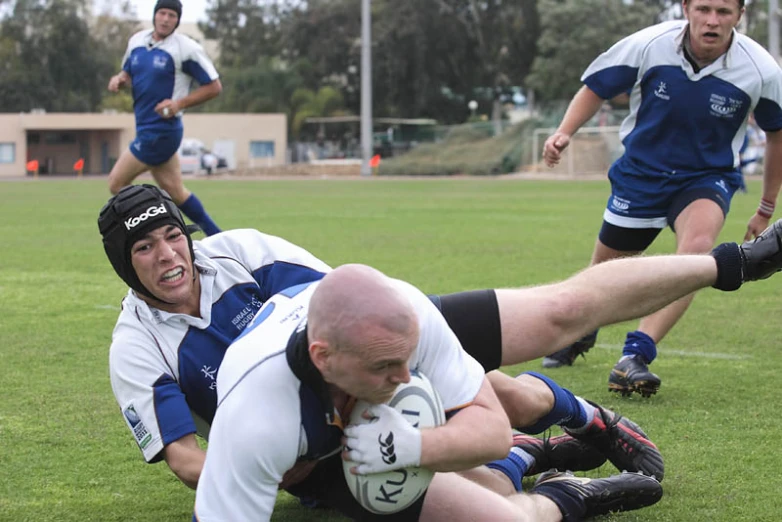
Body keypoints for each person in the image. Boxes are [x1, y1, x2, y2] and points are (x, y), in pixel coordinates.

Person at [98, 184, 666, 492]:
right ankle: (532, 457)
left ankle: (587, 419)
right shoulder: (136, 346)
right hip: (305, 441)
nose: (168, 255)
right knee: (467, 490)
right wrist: (263, 462)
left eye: (173, 236)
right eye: (144, 249)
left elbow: (348, 307)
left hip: (355, 364)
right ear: (126, 267)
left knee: (503, 395)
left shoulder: (241, 251)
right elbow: (185, 460)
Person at [194, 264, 664, 522]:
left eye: (406, 358)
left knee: (513, 404)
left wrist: (416, 445)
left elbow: (492, 429)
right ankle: (567, 491)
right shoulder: (257, 420)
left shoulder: (408, 313)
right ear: (323, 357)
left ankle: (576, 423)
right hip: (317, 450)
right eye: (383, 366)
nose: (404, 377)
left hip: (371, 418)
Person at [540, 0, 782, 398]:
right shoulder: (648, 45)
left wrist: (766, 206)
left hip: (706, 178)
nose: (712, 21)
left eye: (724, 11)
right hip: (640, 176)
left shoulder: (760, 69)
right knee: (603, 271)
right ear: (686, 8)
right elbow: (596, 87)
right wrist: (565, 132)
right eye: (703, 8)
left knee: (695, 256)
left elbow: (776, 134)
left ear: (740, 15)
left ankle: (635, 356)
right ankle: (581, 331)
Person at [106, 0, 223, 236]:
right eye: (162, 13)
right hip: (146, 129)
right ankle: (220, 238)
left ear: (177, 20)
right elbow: (128, 71)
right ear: (155, 15)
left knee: (116, 184)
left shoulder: (186, 48)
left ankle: (156, 230)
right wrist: (119, 79)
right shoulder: (137, 41)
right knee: (177, 193)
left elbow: (214, 86)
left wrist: (178, 103)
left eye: (172, 15)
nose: (166, 19)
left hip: (162, 130)